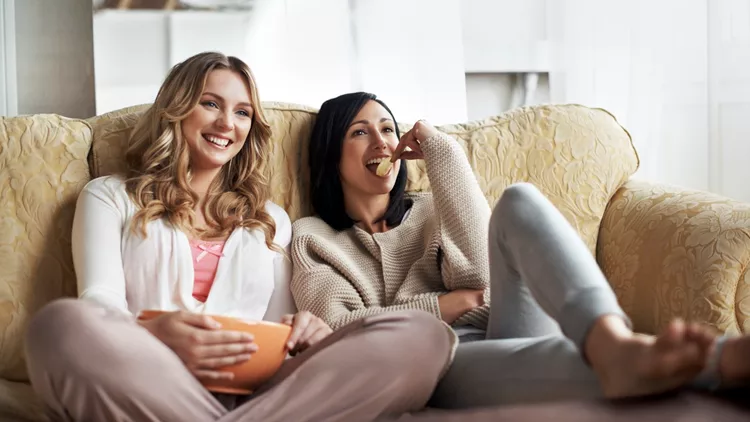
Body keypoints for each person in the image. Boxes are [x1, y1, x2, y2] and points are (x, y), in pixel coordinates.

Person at [24, 55, 454, 422]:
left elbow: (277, 330)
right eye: (210, 104)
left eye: (243, 112)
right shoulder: (110, 196)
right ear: (176, 109)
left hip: (258, 392)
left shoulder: (271, 220)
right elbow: (99, 304)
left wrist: (303, 331)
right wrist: (153, 333)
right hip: (149, 376)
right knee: (60, 326)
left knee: (422, 334)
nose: (226, 123)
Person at [290, 91, 750, 408]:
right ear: (332, 153)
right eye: (360, 132)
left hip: (515, 321)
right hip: (438, 364)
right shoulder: (314, 237)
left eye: (388, 128)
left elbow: (486, 281)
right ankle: (719, 361)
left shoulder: (434, 208)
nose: (382, 142)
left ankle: (610, 338)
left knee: (520, 199)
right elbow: (336, 329)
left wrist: (441, 150)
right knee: (551, 363)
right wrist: (443, 305)